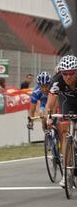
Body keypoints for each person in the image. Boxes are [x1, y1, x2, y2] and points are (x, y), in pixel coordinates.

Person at [44, 55, 77, 188]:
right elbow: (49, 105)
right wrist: (49, 118)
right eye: (65, 74)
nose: (68, 77)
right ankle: (67, 172)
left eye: (71, 73)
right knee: (64, 133)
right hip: (67, 102)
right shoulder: (57, 81)